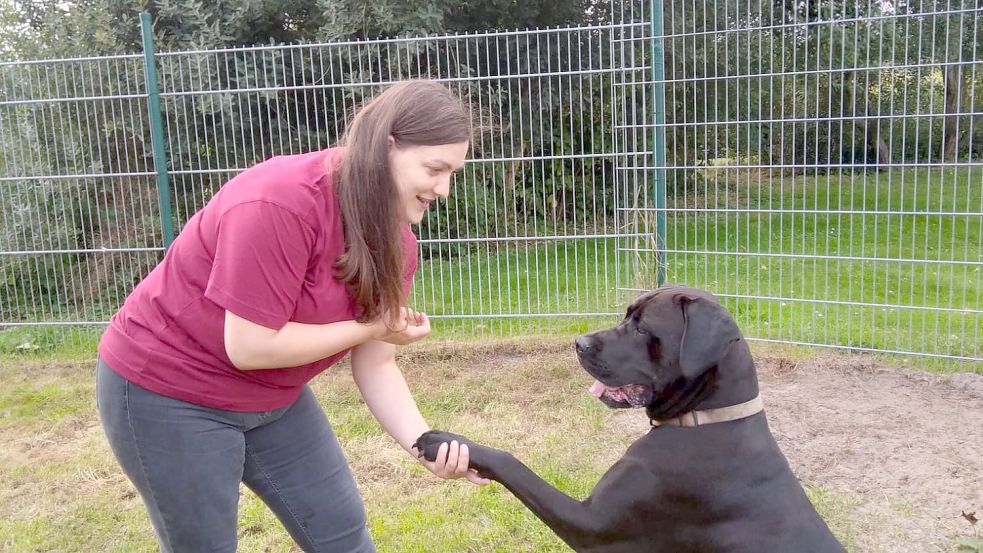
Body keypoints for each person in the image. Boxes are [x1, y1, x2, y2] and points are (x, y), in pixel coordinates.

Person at [96, 79, 488, 553]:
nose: (444, 190)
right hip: (168, 389)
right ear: (388, 146)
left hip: (274, 397)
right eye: (435, 169)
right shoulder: (280, 201)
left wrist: (422, 443)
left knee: (341, 533)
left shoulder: (398, 245)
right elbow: (250, 347)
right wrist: (371, 325)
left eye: (453, 173)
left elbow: (376, 361)